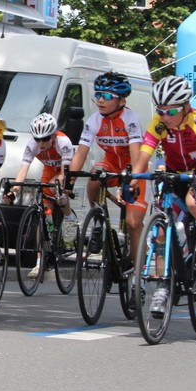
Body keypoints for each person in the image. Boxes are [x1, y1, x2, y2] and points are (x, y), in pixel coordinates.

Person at [131, 75, 196, 318]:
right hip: (172, 173)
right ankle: (162, 287)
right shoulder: (158, 123)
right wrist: (132, 181)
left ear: (185, 107)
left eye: (171, 111)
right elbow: (144, 155)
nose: (165, 117)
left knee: (194, 201)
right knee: (160, 232)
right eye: (160, 111)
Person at [67, 71, 146, 259]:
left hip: (132, 166)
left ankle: (137, 272)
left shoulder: (130, 119)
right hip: (111, 162)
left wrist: (133, 179)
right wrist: (69, 182)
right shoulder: (94, 120)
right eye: (98, 95)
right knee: (95, 175)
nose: (101, 100)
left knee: (133, 224)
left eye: (107, 96)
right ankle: (97, 220)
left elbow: (136, 154)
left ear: (121, 101)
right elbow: (81, 154)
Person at [12, 113, 77, 279]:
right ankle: (39, 262)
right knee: (44, 215)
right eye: (37, 139)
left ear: (54, 135)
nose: (40, 143)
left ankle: (69, 218)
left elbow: (64, 174)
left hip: (66, 168)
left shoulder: (63, 142)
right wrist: (15, 190)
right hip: (48, 170)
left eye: (45, 139)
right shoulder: (32, 145)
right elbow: (23, 170)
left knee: (58, 190)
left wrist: (61, 184)